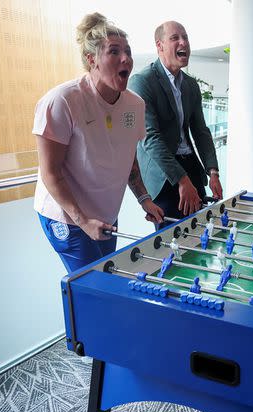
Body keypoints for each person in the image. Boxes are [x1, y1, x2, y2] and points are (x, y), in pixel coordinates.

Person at [33, 12, 163, 273]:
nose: (125, 58)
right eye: (114, 52)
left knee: (105, 274)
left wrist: (144, 199)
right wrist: (82, 222)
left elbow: (130, 159)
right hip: (67, 218)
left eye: (127, 51)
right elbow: (50, 172)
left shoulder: (134, 105)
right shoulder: (63, 101)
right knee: (93, 283)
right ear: (91, 59)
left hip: (105, 213)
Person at [128, 21, 222, 225]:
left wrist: (213, 172)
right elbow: (149, 138)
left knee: (201, 232)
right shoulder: (142, 82)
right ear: (159, 45)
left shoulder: (190, 85)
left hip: (191, 169)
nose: (183, 42)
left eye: (185, 37)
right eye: (175, 38)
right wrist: (182, 180)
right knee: (170, 245)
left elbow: (201, 131)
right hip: (163, 176)